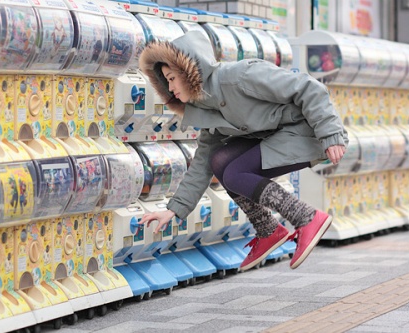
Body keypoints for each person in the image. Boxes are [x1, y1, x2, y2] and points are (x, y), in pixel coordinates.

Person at [137, 31, 348, 271]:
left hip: (307, 132)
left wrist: (331, 135)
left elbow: (309, 87)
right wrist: (173, 210)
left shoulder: (240, 76)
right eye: (166, 81)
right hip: (277, 138)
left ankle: (307, 217)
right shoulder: (205, 107)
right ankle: (268, 229)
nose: (170, 87)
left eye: (172, 78)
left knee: (234, 172)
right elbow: (203, 161)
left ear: (189, 71)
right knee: (219, 160)